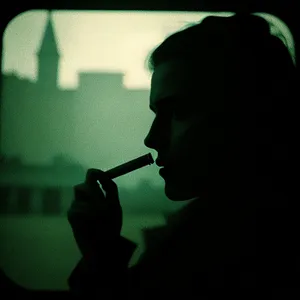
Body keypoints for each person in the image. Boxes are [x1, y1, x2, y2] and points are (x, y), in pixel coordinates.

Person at [67, 14, 299, 298]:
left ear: (247, 113)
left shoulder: (210, 256)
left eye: (177, 112)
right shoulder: (225, 234)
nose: (152, 139)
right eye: (156, 114)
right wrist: (102, 253)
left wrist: (100, 262)